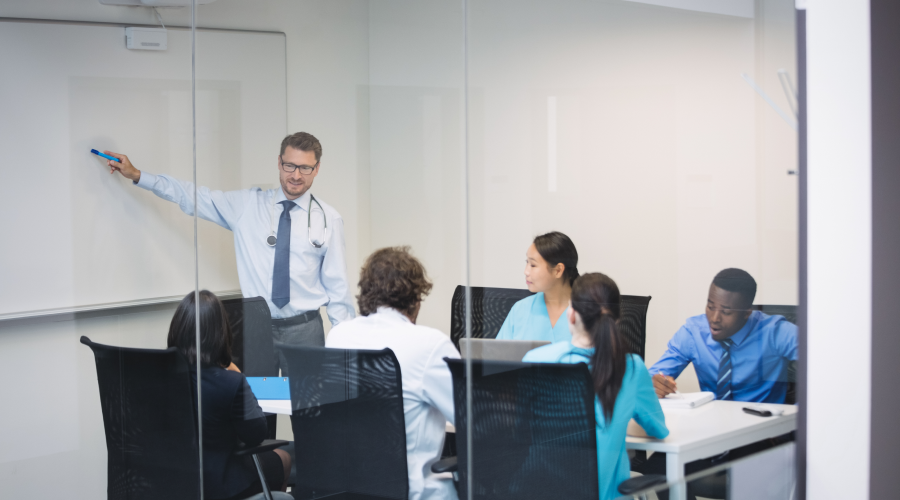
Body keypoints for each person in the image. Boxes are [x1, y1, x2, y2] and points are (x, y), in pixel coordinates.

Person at [105, 132, 355, 375]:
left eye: (305, 168)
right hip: (256, 330)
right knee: (257, 401)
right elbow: (194, 197)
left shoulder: (328, 219)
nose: (296, 175)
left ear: (317, 169)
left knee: (306, 402)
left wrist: (347, 348)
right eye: (290, 166)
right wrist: (138, 175)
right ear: (279, 163)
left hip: (305, 331)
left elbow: (338, 287)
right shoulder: (247, 206)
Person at [634, 268, 798, 499]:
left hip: (758, 438)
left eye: (726, 311)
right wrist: (655, 383)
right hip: (710, 435)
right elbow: (651, 378)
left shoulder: (774, 332)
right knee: (657, 475)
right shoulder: (694, 332)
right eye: (710, 306)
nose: (714, 317)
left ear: (747, 313)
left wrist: (795, 422)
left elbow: (825, 370)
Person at [326, 247, 460, 500]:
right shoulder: (430, 344)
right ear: (416, 298)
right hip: (413, 492)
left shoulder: (338, 336)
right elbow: (472, 418)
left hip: (346, 488)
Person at [523, 273, 668, 500]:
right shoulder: (631, 367)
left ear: (571, 314)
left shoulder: (534, 359)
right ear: (617, 321)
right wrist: (620, 420)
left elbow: (519, 431)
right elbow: (657, 429)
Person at [167, 290, 292, 500]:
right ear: (220, 334)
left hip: (174, 480)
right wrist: (236, 373)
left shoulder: (161, 377)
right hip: (221, 484)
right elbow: (256, 434)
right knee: (284, 458)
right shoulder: (230, 382)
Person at [496, 231, 579, 342]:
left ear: (558, 270)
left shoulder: (589, 312)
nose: (526, 271)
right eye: (527, 262)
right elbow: (497, 352)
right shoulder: (520, 309)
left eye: (533, 265)